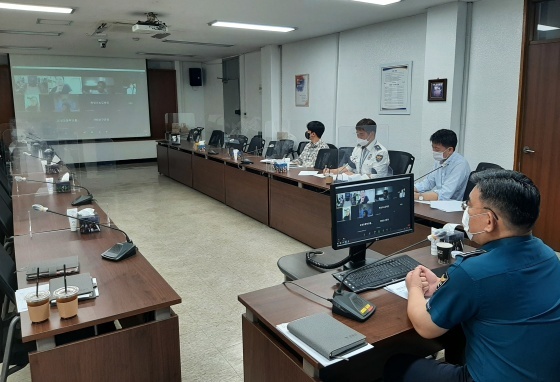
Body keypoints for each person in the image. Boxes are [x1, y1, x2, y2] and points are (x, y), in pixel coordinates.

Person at [384, 169, 560, 382]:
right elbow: (505, 293)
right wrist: (442, 285)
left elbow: (425, 327)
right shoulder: (548, 256)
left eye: (468, 205)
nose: (465, 211)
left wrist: (414, 288)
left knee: (396, 364)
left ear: (488, 221)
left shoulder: (473, 272)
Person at [414, 129, 470, 201]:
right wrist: (409, 189)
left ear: (450, 150)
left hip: (453, 207)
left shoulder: (460, 164)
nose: (434, 151)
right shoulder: (440, 160)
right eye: (433, 147)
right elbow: (428, 183)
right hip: (439, 204)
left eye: (436, 149)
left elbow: (445, 194)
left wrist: (419, 196)